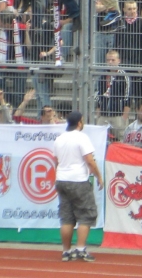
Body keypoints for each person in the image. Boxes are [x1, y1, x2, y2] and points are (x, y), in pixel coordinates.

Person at [52, 110, 103, 263]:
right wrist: (99, 176)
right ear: (79, 122)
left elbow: (56, 161)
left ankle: (66, 251)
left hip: (62, 178)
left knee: (66, 217)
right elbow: (89, 160)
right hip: (78, 180)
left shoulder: (59, 139)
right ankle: (80, 248)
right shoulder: (82, 138)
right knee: (86, 214)